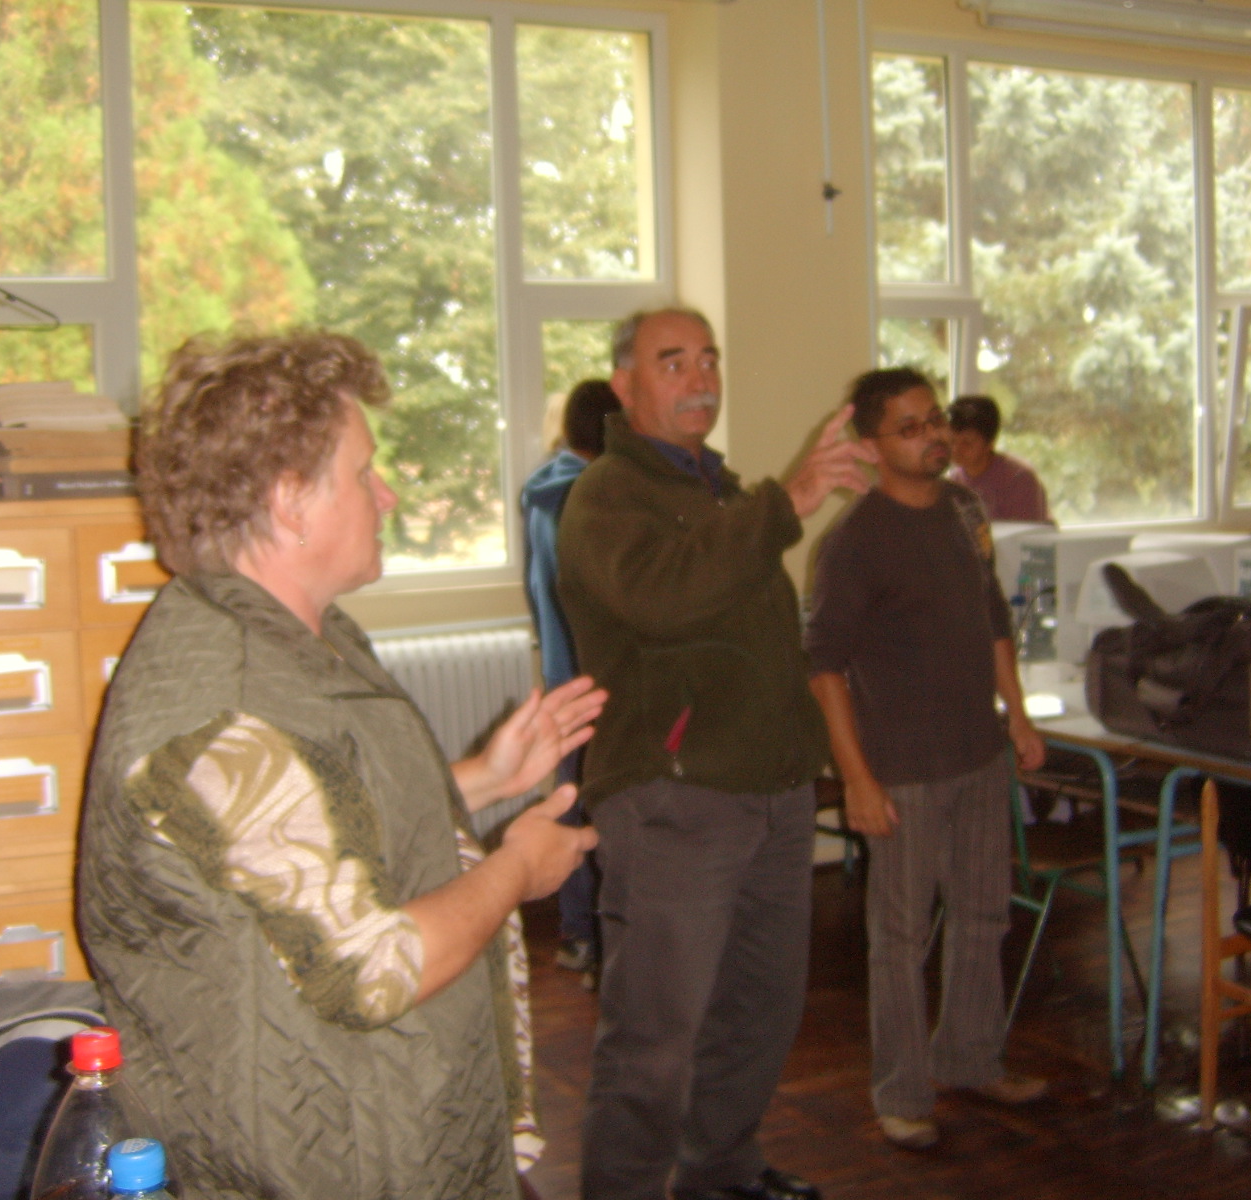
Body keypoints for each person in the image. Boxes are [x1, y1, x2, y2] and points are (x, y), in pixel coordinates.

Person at [77, 331, 605, 1200]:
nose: (386, 493)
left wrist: (483, 777)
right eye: (364, 473)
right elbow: (372, 967)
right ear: (292, 502)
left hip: (397, 1115)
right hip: (326, 1159)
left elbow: (310, 833)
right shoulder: (222, 712)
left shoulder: (295, 636)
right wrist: (518, 869)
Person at [556, 307, 875, 1200]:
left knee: (758, 1012)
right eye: (672, 362)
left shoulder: (720, 488)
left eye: (708, 359)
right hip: (674, 799)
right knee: (654, 1035)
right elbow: (664, 597)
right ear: (625, 386)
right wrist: (788, 501)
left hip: (770, 791)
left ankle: (721, 1174)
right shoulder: (607, 495)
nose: (700, 378)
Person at [805, 369, 1048, 1152]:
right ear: (872, 446)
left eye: (935, 418)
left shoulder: (966, 510)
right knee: (902, 938)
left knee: (984, 915)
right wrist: (856, 777)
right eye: (910, 427)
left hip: (978, 752)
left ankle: (971, 1058)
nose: (933, 435)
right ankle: (903, 1093)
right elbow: (823, 667)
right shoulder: (854, 541)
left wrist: (1017, 714)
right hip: (901, 768)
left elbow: (993, 615)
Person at [519, 378, 621, 982]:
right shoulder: (593, 497)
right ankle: (598, 938)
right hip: (597, 677)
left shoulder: (544, 488)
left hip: (564, 675)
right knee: (601, 809)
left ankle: (579, 934)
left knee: (571, 800)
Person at [947, 393, 1053, 524]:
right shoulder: (953, 481)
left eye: (967, 443)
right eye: (952, 441)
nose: (956, 449)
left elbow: (1026, 533)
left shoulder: (1019, 480)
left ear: (990, 443)